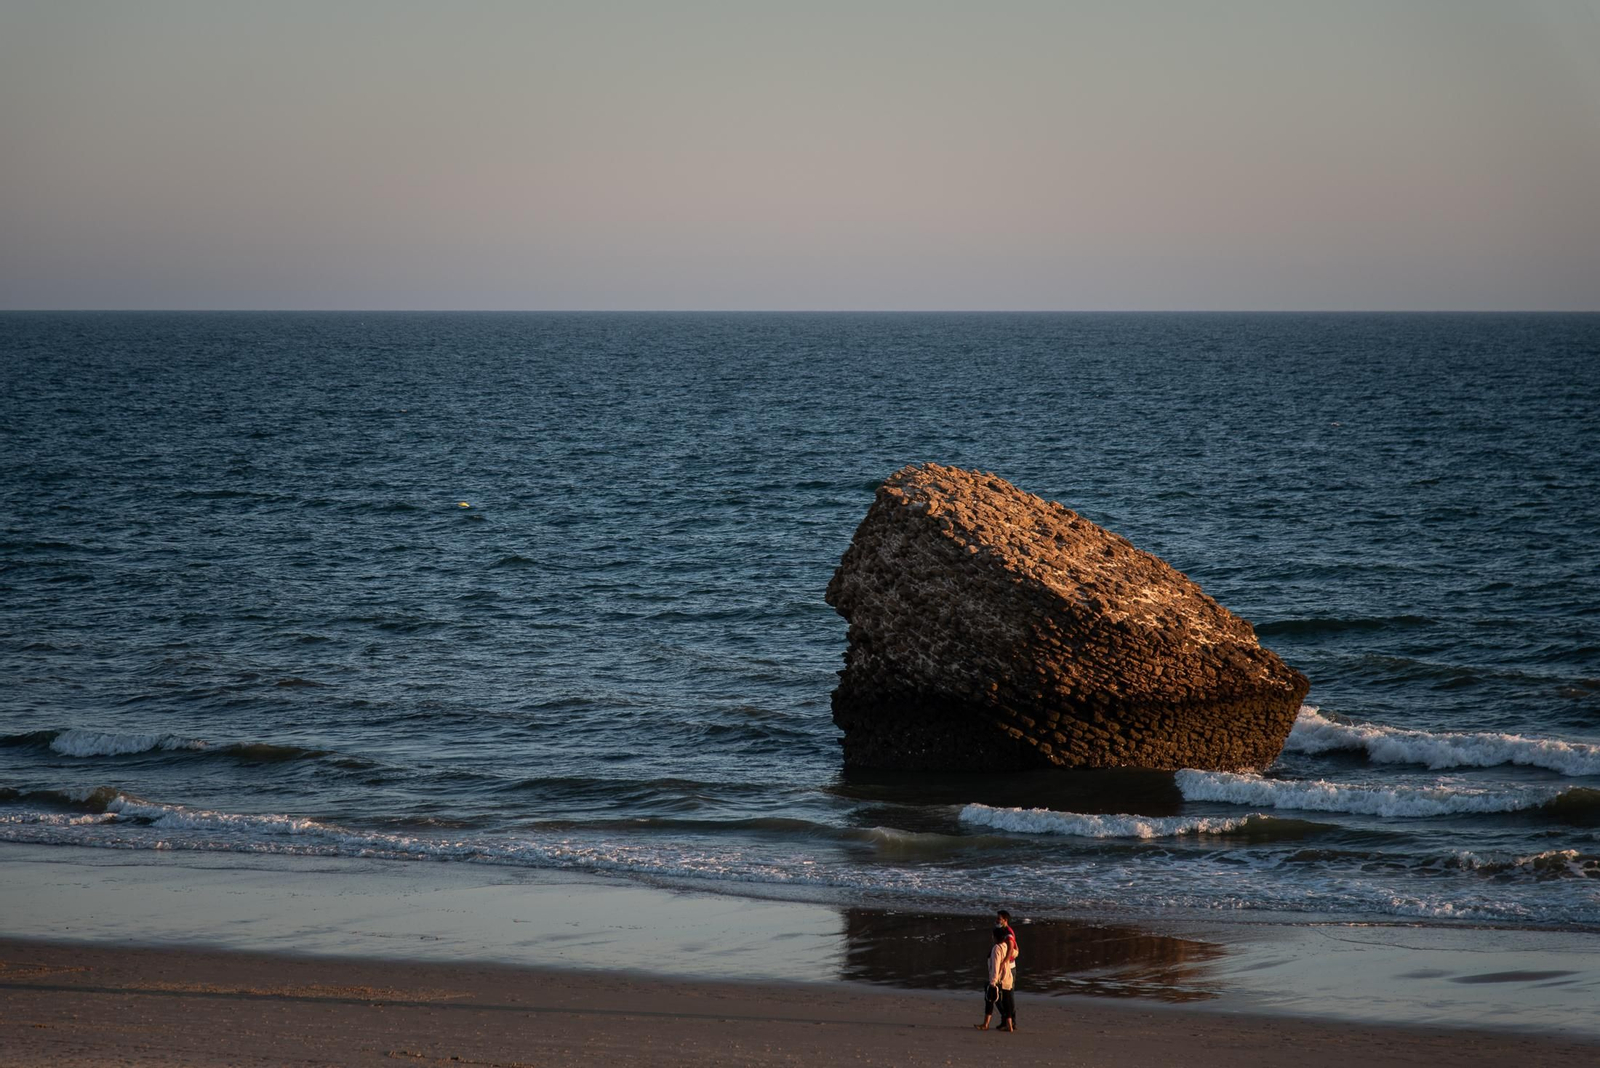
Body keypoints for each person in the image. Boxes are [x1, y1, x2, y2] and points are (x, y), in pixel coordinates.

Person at [975, 926, 1016, 1032]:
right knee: (1007, 1003)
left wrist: (992, 982)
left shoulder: (997, 948)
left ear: (994, 937)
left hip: (999, 979)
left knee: (989, 1000)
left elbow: (996, 966)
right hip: (1008, 978)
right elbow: (1015, 953)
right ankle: (1010, 1026)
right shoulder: (1006, 946)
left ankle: (986, 1024)